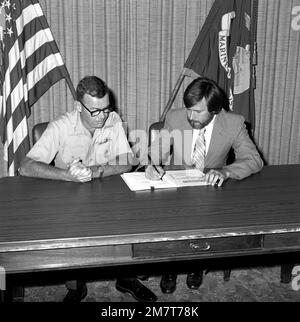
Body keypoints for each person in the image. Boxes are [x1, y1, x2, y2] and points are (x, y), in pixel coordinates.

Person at [19, 76, 157, 303]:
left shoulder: (112, 120)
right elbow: (26, 166)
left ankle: (126, 278)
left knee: (129, 222)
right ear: (78, 106)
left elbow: (127, 161)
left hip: (108, 193)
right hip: (71, 197)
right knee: (71, 232)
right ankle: (76, 286)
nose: (103, 116)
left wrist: (94, 171)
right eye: (95, 111)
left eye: (106, 109)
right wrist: (69, 176)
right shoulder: (61, 126)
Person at [145, 77, 264, 294]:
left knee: (206, 217)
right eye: (189, 109)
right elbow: (156, 152)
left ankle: (196, 265)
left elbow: (254, 160)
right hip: (176, 188)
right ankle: (169, 268)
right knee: (169, 220)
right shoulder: (175, 117)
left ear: (215, 110)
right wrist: (152, 165)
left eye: (198, 112)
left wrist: (226, 171)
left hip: (210, 190)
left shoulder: (234, 123)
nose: (191, 116)